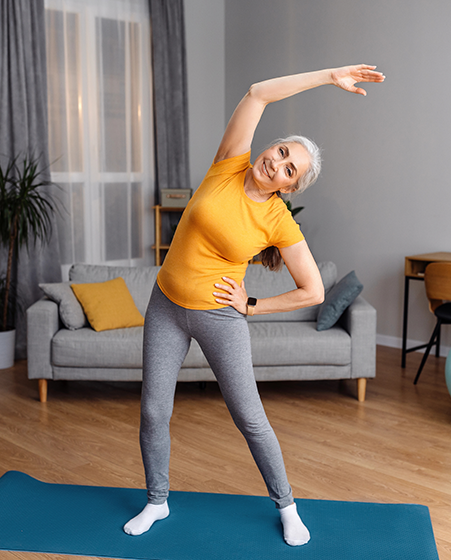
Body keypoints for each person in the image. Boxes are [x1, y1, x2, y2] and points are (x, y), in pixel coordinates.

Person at [123, 64, 385, 546]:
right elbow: (259, 93)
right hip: (165, 305)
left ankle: (287, 506)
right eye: (282, 151)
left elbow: (314, 291)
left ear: (289, 187)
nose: (277, 163)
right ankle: (157, 501)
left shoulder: (279, 221)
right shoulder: (229, 163)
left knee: (250, 418)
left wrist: (251, 306)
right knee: (153, 412)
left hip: (219, 316)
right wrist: (330, 76)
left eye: (290, 169)